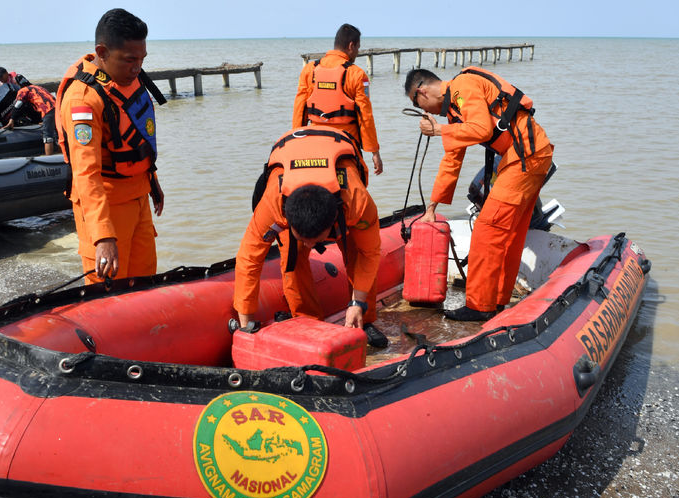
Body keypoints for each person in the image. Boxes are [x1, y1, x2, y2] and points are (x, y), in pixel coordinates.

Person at [404, 67, 554, 321]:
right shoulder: (454, 113)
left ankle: (479, 306)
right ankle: (496, 300)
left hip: (525, 156)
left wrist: (439, 130)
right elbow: (452, 159)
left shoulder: (463, 87)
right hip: (528, 155)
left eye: (417, 103)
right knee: (509, 234)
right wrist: (432, 207)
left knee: (488, 229)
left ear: (422, 91)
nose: (424, 111)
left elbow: (482, 129)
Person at [233, 126, 388, 348]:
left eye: (315, 241)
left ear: (334, 220)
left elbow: (370, 253)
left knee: (356, 251)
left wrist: (357, 302)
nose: (309, 245)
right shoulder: (274, 205)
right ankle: (307, 321)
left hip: (337, 153)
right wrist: (245, 322)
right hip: (291, 166)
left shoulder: (356, 202)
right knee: (291, 258)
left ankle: (365, 318)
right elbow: (249, 258)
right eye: (304, 239)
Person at [55, 8, 167, 285]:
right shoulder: (83, 100)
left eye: (142, 59)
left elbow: (136, 136)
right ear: (102, 52)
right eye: (130, 60)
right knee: (107, 295)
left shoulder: (128, 79)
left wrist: (152, 181)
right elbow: (85, 173)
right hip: (106, 207)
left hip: (138, 195)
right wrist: (103, 236)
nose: (137, 68)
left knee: (145, 285)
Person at [293, 23, 383, 177]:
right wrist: (374, 152)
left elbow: (299, 109)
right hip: (346, 143)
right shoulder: (357, 75)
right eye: (358, 48)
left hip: (315, 141)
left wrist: (295, 140)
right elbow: (365, 116)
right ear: (351, 46)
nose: (357, 52)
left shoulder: (309, 70)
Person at [4, 84, 57, 155]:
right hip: (58, 107)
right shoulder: (38, 87)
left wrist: (12, 119)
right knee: (59, 133)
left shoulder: (23, 91)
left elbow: (18, 104)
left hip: (48, 110)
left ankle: (49, 160)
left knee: (47, 137)